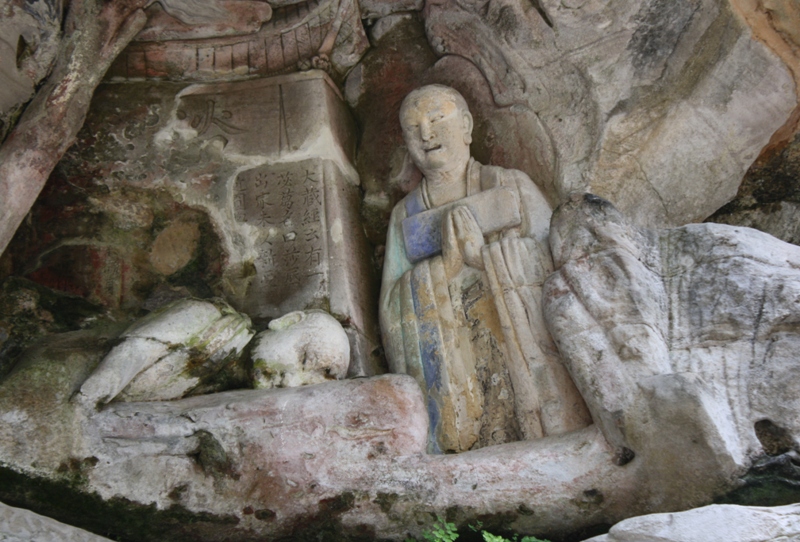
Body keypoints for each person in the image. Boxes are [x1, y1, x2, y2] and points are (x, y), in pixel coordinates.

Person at [379, 85, 590, 453]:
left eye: (436, 120)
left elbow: (557, 269)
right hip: (454, 368)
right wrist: (444, 269)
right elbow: (390, 307)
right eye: (413, 129)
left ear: (466, 125)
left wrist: (487, 258)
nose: (426, 135)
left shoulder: (510, 186)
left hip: (520, 351)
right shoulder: (404, 217)